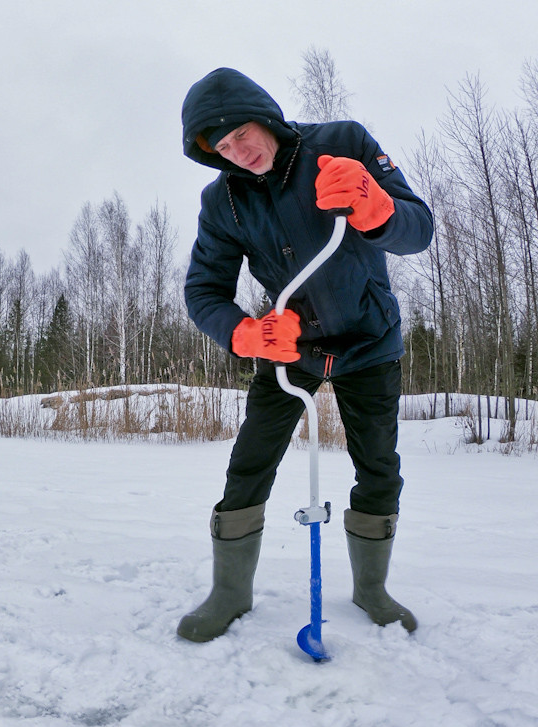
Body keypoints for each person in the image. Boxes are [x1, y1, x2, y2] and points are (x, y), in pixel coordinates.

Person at [177, 67, 433, 643]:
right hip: (288, 348)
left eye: (241, 135)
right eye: (221, 148)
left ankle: (371, 589)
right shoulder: (223, 202)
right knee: (249, 463)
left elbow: (420, 230)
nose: (238, 153)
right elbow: (203, 291)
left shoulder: (343, 143)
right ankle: (229, 593)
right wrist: (244, 334)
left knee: (378, 467)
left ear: (263, 116)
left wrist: (377, 206)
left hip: (369, 341)